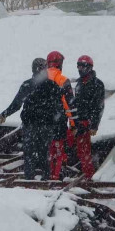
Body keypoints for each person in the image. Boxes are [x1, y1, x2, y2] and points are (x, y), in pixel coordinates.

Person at [0, 58, 64, 180]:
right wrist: (58, 124)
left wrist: (4, 114)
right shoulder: (52, 85)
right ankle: (44, 177)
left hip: (34, 125)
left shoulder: (29, 85)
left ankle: (30, 178)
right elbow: (59, 108)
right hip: (43, 125)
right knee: (43, 152)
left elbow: (17, 104)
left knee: (31, 153)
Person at [70, 55, 105, 179]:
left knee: (84, 150)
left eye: (83, 65)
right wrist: (72, 121)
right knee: (73, 148)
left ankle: (89, 176)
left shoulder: (97, 84)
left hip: (87, 122)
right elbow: (75, 103)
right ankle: (77, 172)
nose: (80, 68)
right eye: (78, 65)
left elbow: (99, 106)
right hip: (77, 121)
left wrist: (94, 125)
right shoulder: (79, 83)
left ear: (89, 67)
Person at [46, 51, 76, 180]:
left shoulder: (40, 78)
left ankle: (45, 174)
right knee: (58, 151)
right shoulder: (63, 80)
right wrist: (73, 123)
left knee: (46, 150)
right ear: (60, 64)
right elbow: (69, 104)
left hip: (42, 122)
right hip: (58, 122)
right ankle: (55, 176)